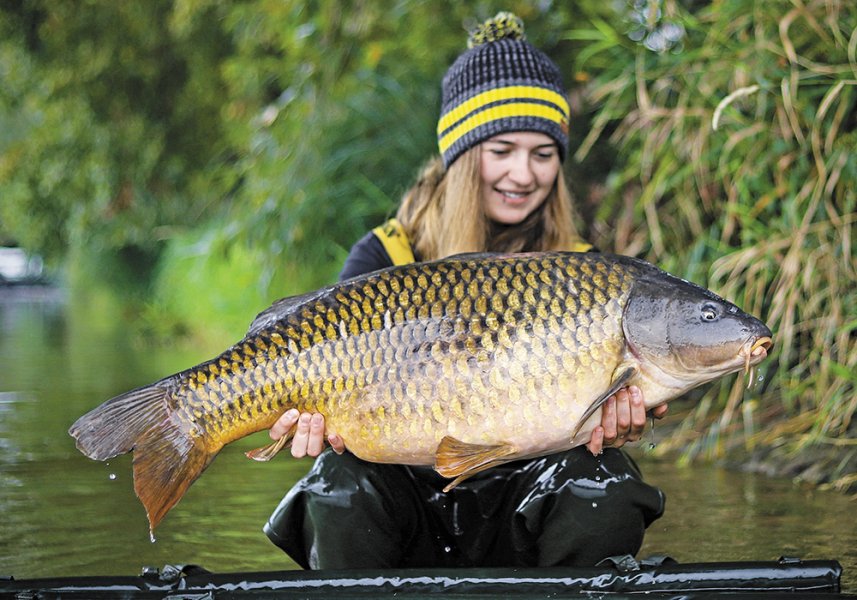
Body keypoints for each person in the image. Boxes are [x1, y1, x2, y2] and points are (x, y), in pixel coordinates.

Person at [263, 12, 666, 569]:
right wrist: (312, 424)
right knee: (336, 481)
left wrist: (617, 427)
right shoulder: (384, 258)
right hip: (407, 503)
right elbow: (332, 387)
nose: (523, 175)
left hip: (527, 502)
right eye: (501, 150)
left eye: (543, 153)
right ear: (460, 155)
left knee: (608, 481)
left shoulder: (586, 278)